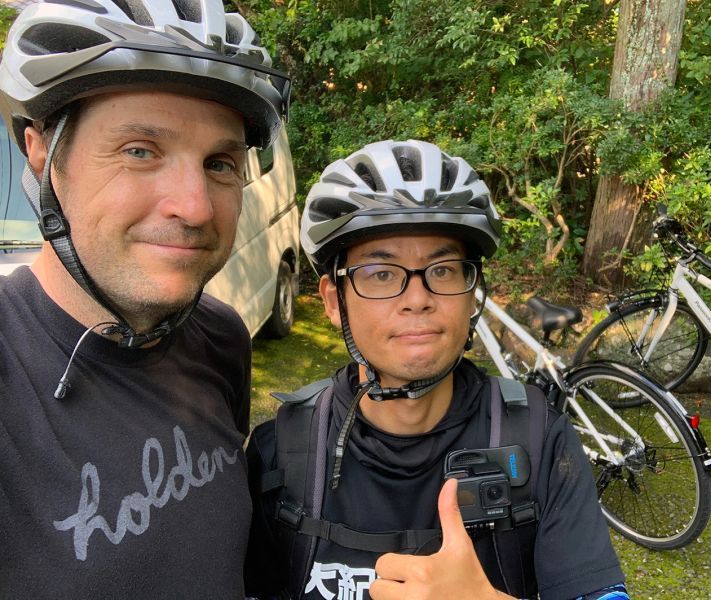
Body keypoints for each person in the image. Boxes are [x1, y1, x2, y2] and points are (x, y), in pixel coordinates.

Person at [245, 140, 628, 600]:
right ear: (333, 300)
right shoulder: (281, 450)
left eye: (443, 270)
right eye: (382, 274)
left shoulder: (538, 438)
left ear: (472, 292)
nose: (417, 298)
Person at [0, 1, 289, 598]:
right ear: (42, 152)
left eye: (220, 163)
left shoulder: (221, 337)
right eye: (140, 150)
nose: (196, 207)